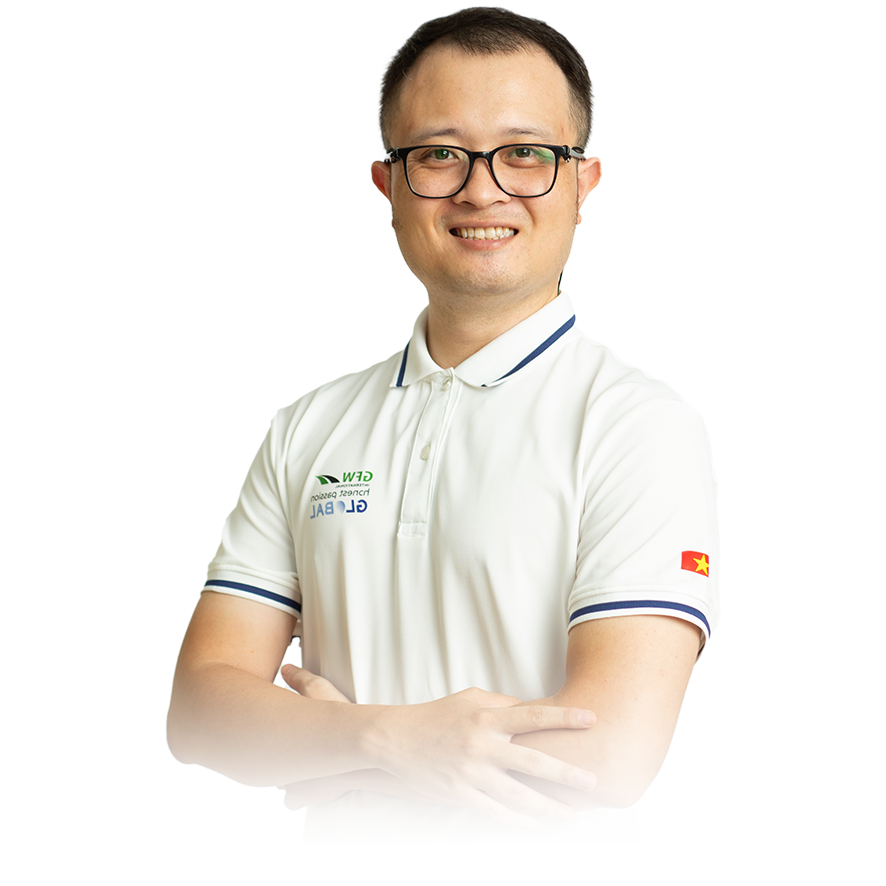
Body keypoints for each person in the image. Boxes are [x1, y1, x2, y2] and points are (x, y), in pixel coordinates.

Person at [166, 6, 719, 845]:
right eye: (439, 154)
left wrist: (326, 753)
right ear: (389, 183)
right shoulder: (309, 429)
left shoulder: (637, 427)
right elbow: (200, 714)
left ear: (583, 182)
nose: (482, 190)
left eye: (526, 153)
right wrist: (383, 741)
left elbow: (611, 754)